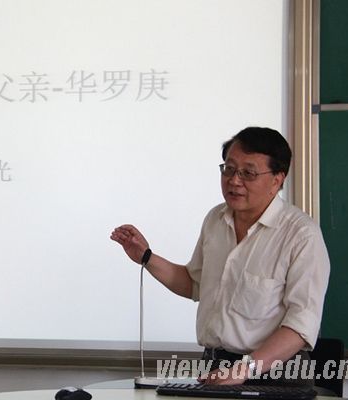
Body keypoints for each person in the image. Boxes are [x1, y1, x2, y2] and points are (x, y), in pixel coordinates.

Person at [111, 127, 330, 386]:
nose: (234, 181)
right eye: (229, 169)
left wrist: (244, 370)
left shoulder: (301, 235)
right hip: (215, 365)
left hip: (276, 372)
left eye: (248, 173)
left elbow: (301, 325)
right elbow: (195, 284)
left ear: (277, 180)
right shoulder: (216, 219)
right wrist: (146, 256)